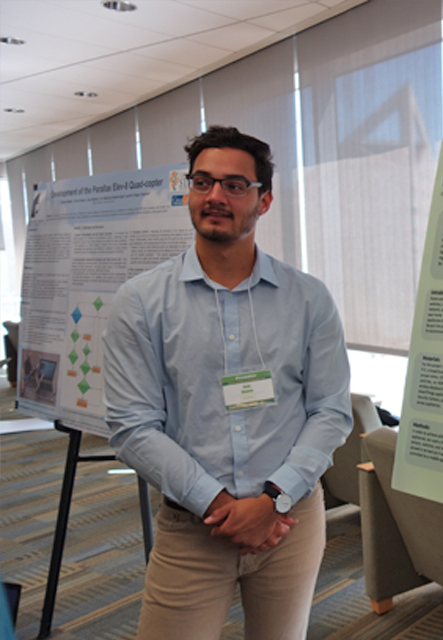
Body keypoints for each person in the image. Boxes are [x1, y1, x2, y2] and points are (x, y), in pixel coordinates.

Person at [103, 126, 353, 640]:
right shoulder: (141, 302)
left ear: (264, 201)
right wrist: (224, 509)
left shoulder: (308, 299)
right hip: (193, 531)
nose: (216, 196)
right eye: (203, 182)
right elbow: (133, 427)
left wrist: (272, 503)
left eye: (235, 185)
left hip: (291, 524)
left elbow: (330, 410)